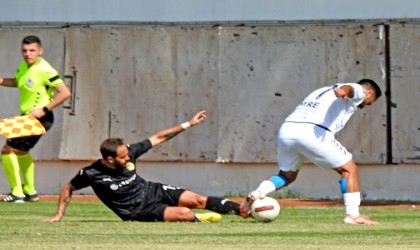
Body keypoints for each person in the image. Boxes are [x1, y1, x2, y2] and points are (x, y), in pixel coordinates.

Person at [44, 110, 243, 223]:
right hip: (136, 210)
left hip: (151, 190)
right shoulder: (91, 173)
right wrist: (59, 214)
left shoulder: (129, 151)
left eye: (128, 153)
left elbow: (158, 137)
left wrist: (188, 124)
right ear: (110, 159)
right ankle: (199, 219)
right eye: (123, 157)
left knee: (197, 199)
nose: (129, 157)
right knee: (185, 214)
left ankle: (243, 210)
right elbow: (68, 187)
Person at [240, 79, 382, 225]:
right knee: (349, 169)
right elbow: (352, 89)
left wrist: (342, 91)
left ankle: (257, 193)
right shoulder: (359, 90)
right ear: (369, 92)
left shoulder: (321, 91)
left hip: (287, 130)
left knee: (287, 175)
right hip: (312, 132)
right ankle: (353, 215)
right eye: (369, 102)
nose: (364, 106)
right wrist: (344, 91)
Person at [0, 35, 71, 203]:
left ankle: (17, 193)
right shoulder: (24, 66)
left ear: (40, 51)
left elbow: (65, 93)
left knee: (7, 150)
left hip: (39, 118)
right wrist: (1, 80)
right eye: (24, 50)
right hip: (28, 117)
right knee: (22, 152)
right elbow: (19, 82)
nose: (28, 54)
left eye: (32, 50)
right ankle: (31, 192)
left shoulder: (46, 70)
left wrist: (44, 109)